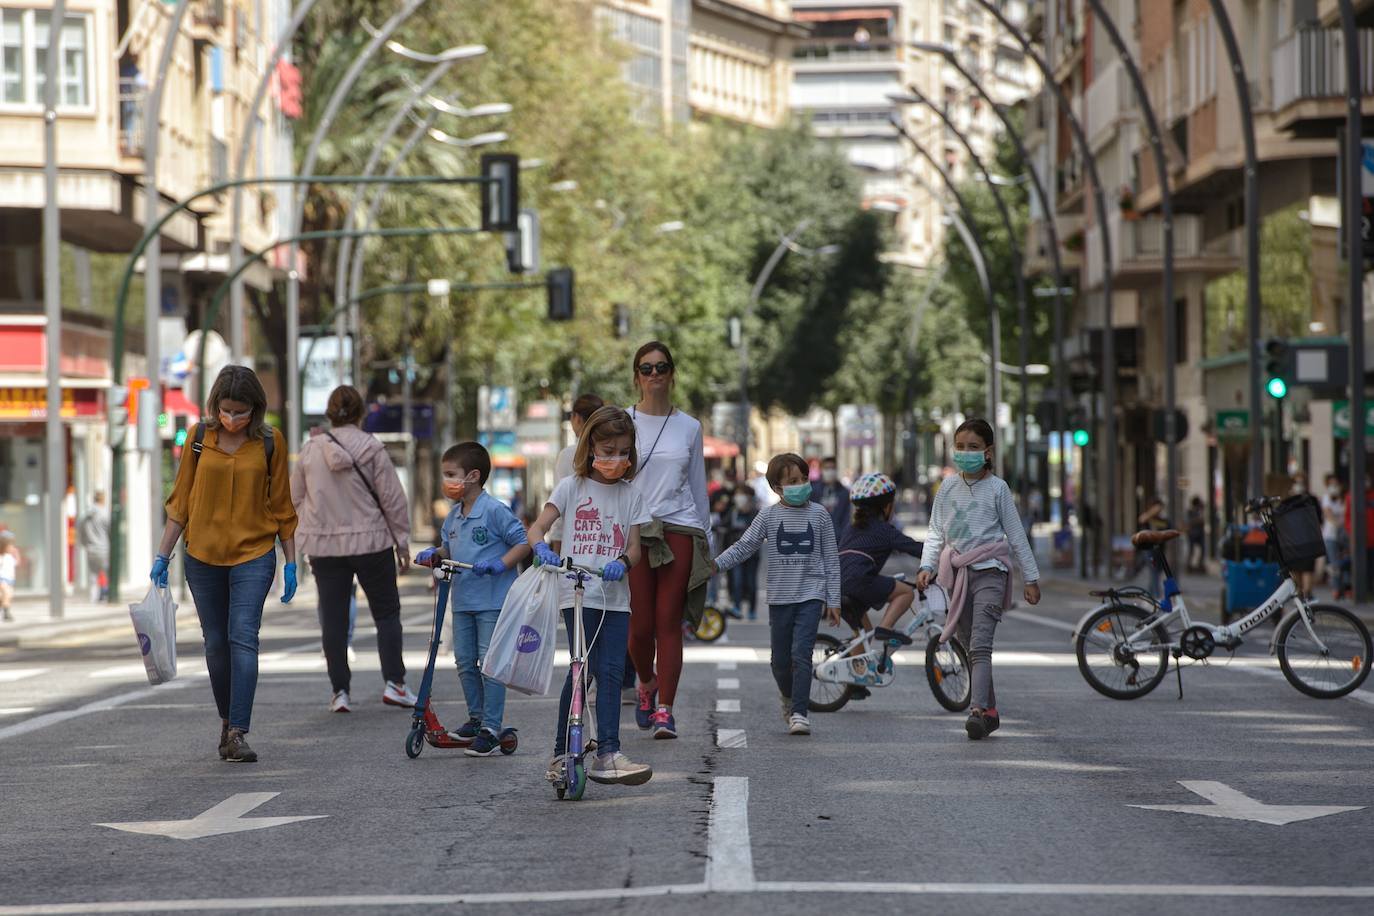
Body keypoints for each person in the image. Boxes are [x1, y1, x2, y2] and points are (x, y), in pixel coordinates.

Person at [155, 365, 298, 764]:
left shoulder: (271, 442)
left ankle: (238, 731)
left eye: (241, 411)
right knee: (215, 643)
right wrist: (162, 556)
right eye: (226, 410)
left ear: (256, 408)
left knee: (243, 637)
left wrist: (290, 561)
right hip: (202, 556)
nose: (232, 418)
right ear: (215, 405)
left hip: (254, 555)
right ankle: (225, 721)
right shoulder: (199, 439)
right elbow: (180, 500)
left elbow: (283, 505)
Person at [526, 406, 653, 785]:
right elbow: (538, 528)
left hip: (615, 595)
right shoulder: (571, 487)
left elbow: (634, 548)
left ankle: (608, 753)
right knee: (581, 672)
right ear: (589, 448)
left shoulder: (632, 495)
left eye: (623, 452)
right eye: (607, 449)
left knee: (613, 671)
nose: (615, 459)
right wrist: (541, 548)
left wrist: (623, 563)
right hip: (577, 593)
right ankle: (562, 752)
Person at [292, 385, 415, 714]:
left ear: (330, 414)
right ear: (362, 413)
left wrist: (312, 529)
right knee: (386, 613)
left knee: (332, 620)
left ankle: (340, 692)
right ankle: (395, 683)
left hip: (325, 547)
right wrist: (402, 542)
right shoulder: (372, 447)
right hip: (372, 542)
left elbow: (295, 498)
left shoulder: (310, 450)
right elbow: (392, 499)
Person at [916, 418, 1040, 741]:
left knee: (981, 645)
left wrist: (1031, 577)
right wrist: (926, 566)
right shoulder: (947, 487)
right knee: (970, 647)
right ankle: (990, 712)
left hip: (991, 572)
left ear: (987, 452)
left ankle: (975, 710)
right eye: (960, 447)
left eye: (973, 447)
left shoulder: (998, 489)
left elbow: (1016, 535)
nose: (966, 453)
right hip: (956, 576)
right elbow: (934, 532)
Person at [415, 442, 531, 757]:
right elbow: (448, 550)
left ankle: (492, 727)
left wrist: (501, 564)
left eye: (452, 474)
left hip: (492, 601)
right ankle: (476, 718)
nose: (446, 481)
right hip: (463, 600)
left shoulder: (493, 510)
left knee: (489, 665)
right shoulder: (453, 517)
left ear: (474, 476)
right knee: (465, 662)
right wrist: (434, 555)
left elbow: (522, 543)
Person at [712, 453, 841, 736]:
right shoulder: (769, 516)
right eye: (793, 481)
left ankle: (799, 712)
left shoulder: (819, 515)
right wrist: (716, 565)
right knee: (780, 661)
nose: (801, 485)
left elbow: (831, 560)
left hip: (811, 594)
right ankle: (787, 696)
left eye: (804, 479)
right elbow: (744, 546)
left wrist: (833, 600)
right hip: (781, 598)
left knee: (801, 654)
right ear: (777, 487)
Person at [625, 341, 712, 741]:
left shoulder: (690, 426)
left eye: (661, 367)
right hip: (636, 530)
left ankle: (666, 711)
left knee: (667, 622)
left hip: (679, 527)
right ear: (636, 376)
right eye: (647, 368)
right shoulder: (621, 421)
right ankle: (646, 682)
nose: (654, 374)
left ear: (672, 373)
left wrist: (706, 541)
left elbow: (697, 486)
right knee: (640, 626)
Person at [840, 473, 924, 644]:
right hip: (860, 581)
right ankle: (885, 629)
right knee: (906, 592)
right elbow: (915, 548)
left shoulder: (851, 528)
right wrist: (941, 554)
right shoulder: (884, 531)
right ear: (886, 507)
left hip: (837, 586)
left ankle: (856, 668)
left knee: (863, 637)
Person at [725, 488, 761, 619]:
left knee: (751, 583)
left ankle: (752, 610)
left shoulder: (755, 513)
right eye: (737, 495)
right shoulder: (733, 512)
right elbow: (724, 525)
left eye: (742, 495)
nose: (739, 498)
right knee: (737, 581)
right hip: (736, 554)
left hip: (752, 554)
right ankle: (737, 607)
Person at [556, 394, 606, 481]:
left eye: (571, 415)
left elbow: (559, 491)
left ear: (577, 418)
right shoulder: (612, 452)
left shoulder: (567, 455)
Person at [1287, 472, 1317, 600]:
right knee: (1295, 569)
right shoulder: (1287, 500)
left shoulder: (1311, 499)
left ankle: (1307, 594)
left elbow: (1318, 518)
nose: (1299, 486)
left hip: (1308, 538)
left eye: (1301, 483)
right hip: (1293, 539)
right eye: (1296, 483)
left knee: (1307, 569)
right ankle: (1299, 594)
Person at [1133, 497, 1170, 598]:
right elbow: (1141, 519)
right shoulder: (1148, 517)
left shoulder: (1163, 520)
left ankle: (1149, 595)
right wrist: (1153, 511)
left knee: (1157, 572)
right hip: (1148, 550)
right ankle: (1157, 596)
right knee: (1154, 572)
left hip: (1160, 550)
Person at [77, 491, 111, 602]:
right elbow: (110, 530)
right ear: (102, 499)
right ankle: (105, 595)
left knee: (93, 575)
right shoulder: (104, 513)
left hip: (90, 548)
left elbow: (80, 530)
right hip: (103, 547)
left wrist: (84, 543)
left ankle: (93, 598)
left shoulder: (86, 515)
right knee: (107, 572)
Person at [810, 456, 851, 536]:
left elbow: (846, 518)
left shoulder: (844, 493)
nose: (830, 471)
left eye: (832, 468)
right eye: (827, 468)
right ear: (821, 470)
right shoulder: (813, 491)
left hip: (837, 538)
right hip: (817, 536)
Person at [1322, 474, 1348, 598]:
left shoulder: (1344, 498)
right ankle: (1336, 588)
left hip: (1344, 536)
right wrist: (1339, 524)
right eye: (1331, 484)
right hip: (1331, 536)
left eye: (1336, 484)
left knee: (1344, 561)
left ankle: (1344, 587)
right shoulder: (1326, 498)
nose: (1334, 487)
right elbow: (1328, 514)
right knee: (1335, 563)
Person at [1185, 496, 1206, 574]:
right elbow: (1189, 522)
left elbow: (1202, 521)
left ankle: (1200, 564)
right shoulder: (1190, 511)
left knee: (1203, 549)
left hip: (1200, 534)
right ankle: (1188, 566)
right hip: (1192, 534)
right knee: (1191, 550)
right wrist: (1197, 520)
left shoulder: (1200, 511)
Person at [0, 531, 17, 622]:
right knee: (6, 594)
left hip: (9, 580)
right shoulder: (1, 557)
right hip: (2, 580)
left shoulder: (10, 557)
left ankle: (5, 610)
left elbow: (13, 568)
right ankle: (6, 613)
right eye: (10, 545)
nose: (12, 547)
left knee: (8, 596)